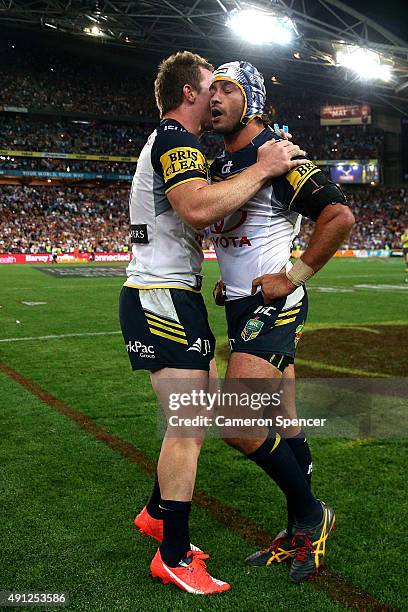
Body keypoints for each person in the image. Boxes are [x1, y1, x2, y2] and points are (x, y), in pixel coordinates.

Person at [119, 51, 307, 595]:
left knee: (193, 423)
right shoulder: (176, 140)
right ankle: (174, 555)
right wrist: (266, 167)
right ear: (189, 95)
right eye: (211, 86)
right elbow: (199, 210)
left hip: (168, 293)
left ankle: (158, 514)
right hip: (163, 297)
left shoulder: (173, 141)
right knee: (190, 426)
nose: (218, 95)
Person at [208, 61, 355, 582]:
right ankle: (298, 528)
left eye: (227, 90)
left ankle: (313, 517)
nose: (215, 98)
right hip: (242, 304)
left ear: (250, 99)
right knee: (282, 422)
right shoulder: (220, 160)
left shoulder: (279, 154)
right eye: (211, 90)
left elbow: (339, 216)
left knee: (238, 426)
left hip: (274, 305)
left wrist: (293, 275)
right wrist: (235, 276)